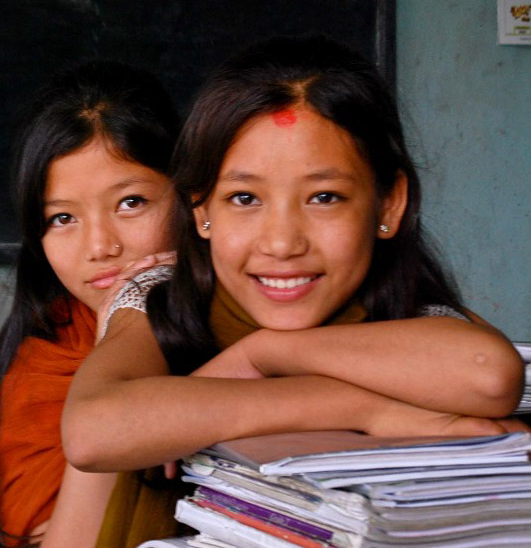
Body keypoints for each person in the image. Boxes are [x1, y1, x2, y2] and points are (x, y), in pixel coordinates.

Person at [62, 35, 526, 545]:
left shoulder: (403, 316)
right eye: (244, 197)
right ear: (200, 208)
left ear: (389, 204)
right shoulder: (162, 298)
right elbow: (93, 431)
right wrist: (362, 408)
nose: (282, 243)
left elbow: (488, 374)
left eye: (324, 197)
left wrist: (269, 351)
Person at [0, 60, 179, 547]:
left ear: (190, 198)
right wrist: (117, 346)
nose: (99, 246)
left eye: (130, 203)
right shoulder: (49, 354)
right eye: (62, 218)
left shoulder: (250, 311)